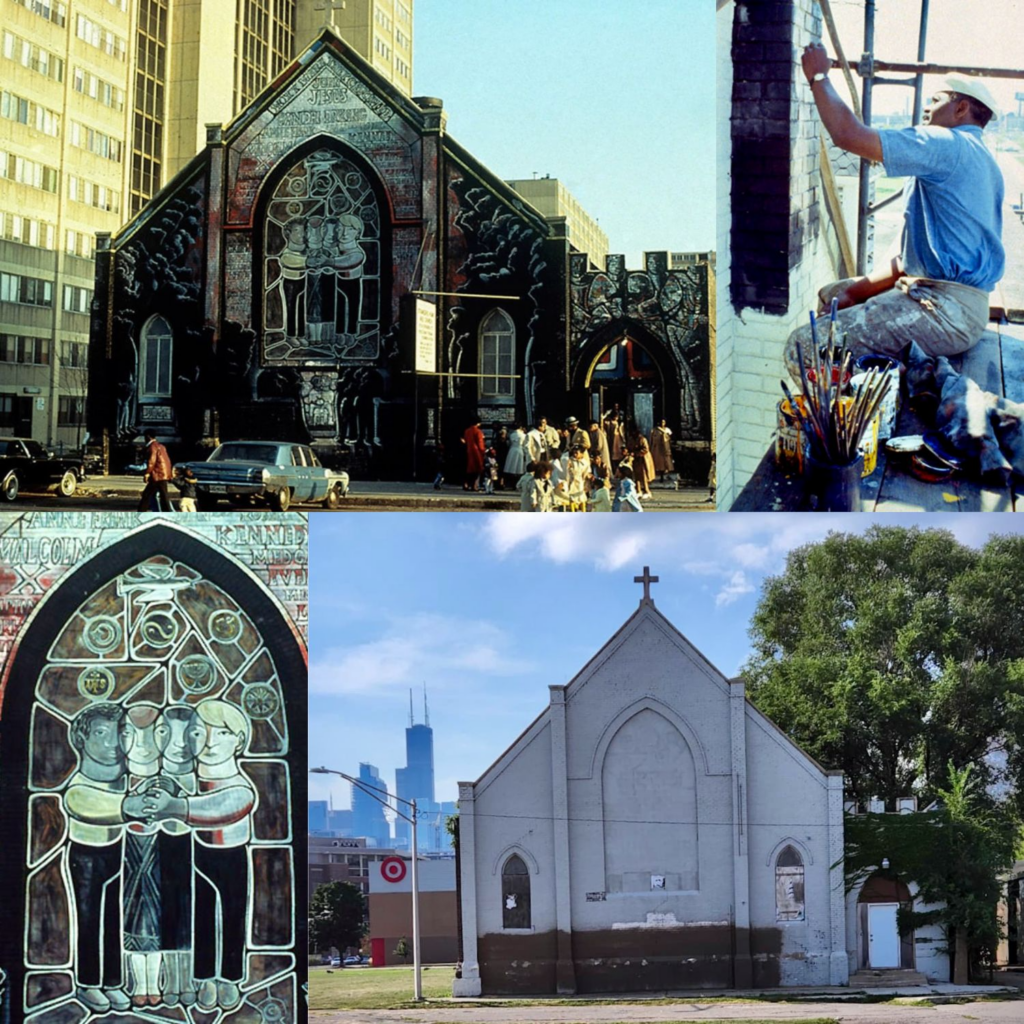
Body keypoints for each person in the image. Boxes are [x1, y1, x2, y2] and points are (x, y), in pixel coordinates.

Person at [786, 45, 1004, 381]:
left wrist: (818, 76)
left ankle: (845, 421)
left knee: (804, 347)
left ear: (961, 108)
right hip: (959, 308)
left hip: (944, 311)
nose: (927, 109)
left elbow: (849, 135)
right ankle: (853, 381)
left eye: (936, 101)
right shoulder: (985, 162)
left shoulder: (946, 143)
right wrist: (851, 292)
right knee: (831, 296)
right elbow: (906, 261)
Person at [64, 704, 136, 1014]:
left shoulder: (123, 776)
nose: (111, 744)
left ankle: (113, 981)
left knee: (113, 920)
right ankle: (88, 982)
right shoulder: (80, 783)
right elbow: (84, 803)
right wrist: (132, 805)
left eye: (118, 733)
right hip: (86, 855)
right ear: (82, 739)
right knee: (89, 919)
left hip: (115, 850)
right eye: (100, 734)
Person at [138, 431, 175, 512]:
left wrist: (147, 473)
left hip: (157, 474)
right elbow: (167, 460)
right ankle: (167, 512)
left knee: (147, 494)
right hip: (163, 473)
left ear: (148, 436)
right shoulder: (161, 446)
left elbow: (151, 461)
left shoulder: (152, 447)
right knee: (163, 495)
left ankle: (141, 512)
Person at [461, 417, 486, 491]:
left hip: (469, 451)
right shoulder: (478, 432)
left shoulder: (467, 431)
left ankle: (466, 484)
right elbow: (480, 444)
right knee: (478, 470)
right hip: (477, 452)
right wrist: (483, 451)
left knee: (469, 470)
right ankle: (475, 485)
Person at [564, 445, 589, 512]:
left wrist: (586, 484)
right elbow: (567, 472)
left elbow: (587, 472)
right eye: (574, 453)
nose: (575, 454)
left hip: (581, 482)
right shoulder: (570, 461)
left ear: (582, 453)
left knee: (582, 499)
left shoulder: (585, 462)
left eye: (577, 453)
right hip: (572, 482)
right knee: (572, 499)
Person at [504, 423, 529, 487]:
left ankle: (512, 483)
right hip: (520, 450)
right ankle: (518, 482)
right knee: (519, 467)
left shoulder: (511, 435)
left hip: (512, 450)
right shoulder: (523, 435)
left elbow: (509, 443)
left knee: (512, 466)